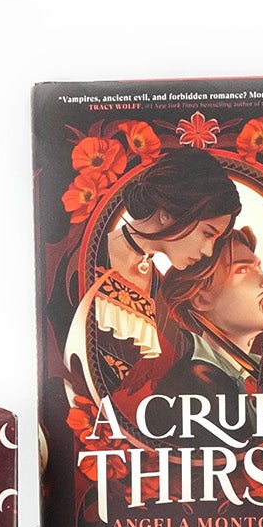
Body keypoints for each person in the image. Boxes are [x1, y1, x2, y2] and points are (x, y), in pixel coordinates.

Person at [87, 150, 242, 389]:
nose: (209, 251)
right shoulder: (88, 259)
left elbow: (192, 353)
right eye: (207, 234)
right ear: (167, 215)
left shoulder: (158, 289)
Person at [160, 226, 263, 409]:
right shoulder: (194, 382)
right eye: (242, 270)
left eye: (258, 267)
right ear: (202, 300)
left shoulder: (252, 373)